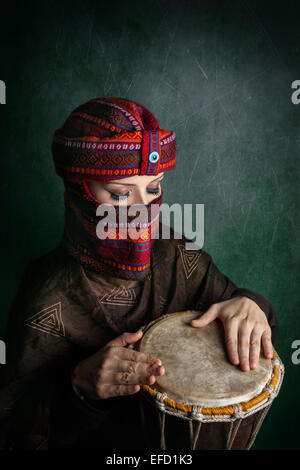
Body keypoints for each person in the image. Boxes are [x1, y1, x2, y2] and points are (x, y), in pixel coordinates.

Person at [0, 97, 278, 450]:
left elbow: (237, 314)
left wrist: (249, 304)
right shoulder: (46, 297)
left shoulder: (175, 253)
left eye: (153, 188)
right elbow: (15, 428)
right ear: (79, 191)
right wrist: (79, 388)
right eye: (119, 195)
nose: (142, 211)